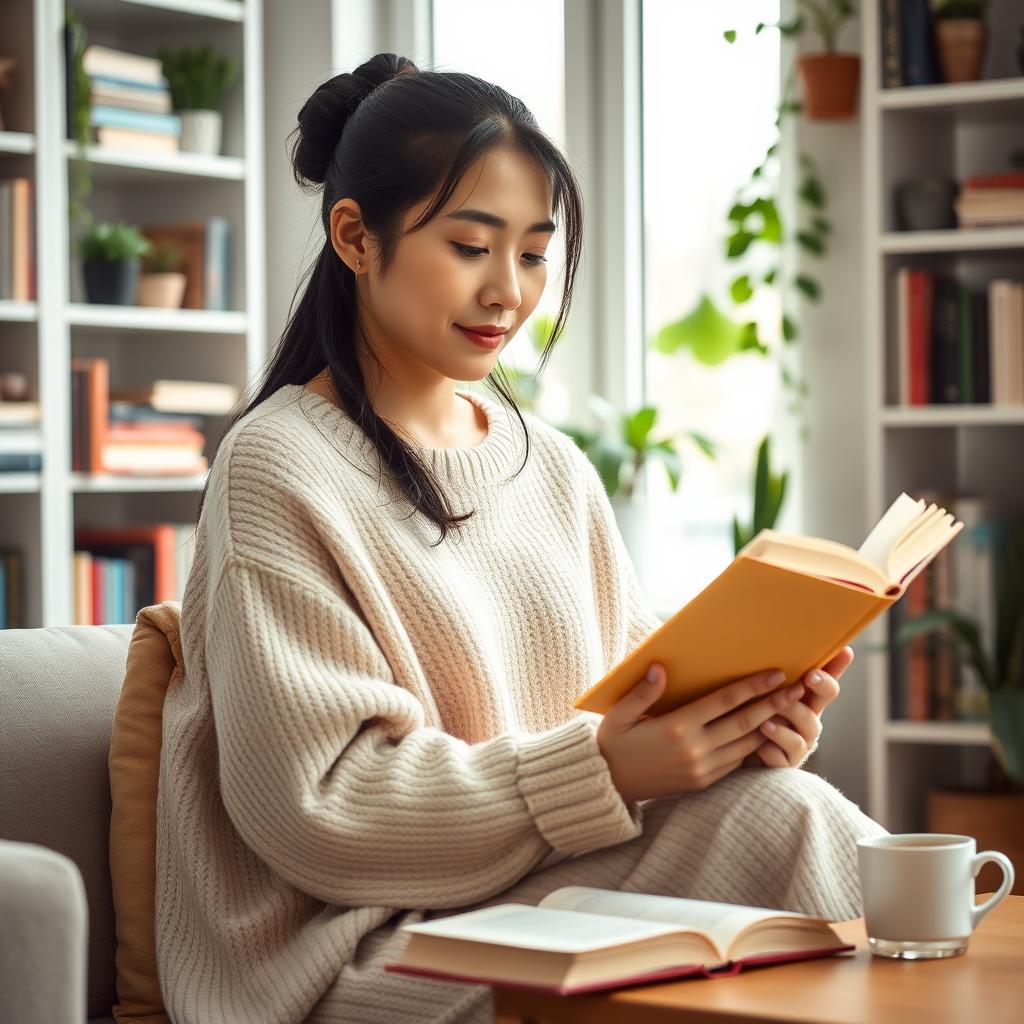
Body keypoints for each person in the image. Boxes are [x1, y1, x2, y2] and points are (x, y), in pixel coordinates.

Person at [156, 52, 887, 1024]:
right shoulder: (277, 465)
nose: (509, 290)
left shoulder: (550, 464)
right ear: (354, 237)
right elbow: (320, 812)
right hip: (361, 942)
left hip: (549, 890)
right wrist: (608, 768)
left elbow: (630, 702)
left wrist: (739, 730)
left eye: (535, 254)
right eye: (470, 246)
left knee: (784, 818)